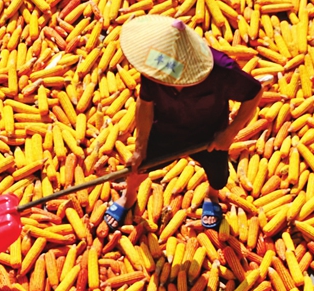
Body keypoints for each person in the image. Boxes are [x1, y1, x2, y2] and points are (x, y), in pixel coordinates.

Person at [105, 15, 263, 230]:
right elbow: (145, 103)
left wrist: (230, 132)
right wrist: (140, 147)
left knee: (219, 176)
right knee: (136, 169)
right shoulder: (154, 65)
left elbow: (254, 93)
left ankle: (212, 196)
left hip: (209, 134)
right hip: (166, 129)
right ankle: (128, 196)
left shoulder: (221, 71)